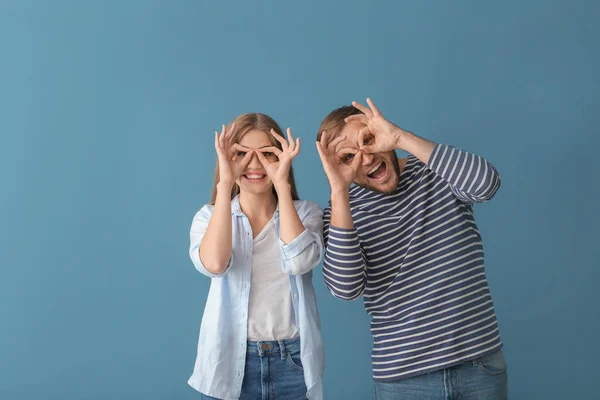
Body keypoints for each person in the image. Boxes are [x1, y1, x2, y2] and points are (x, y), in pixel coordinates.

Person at [315, 98, 507, 399]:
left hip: (478, 365)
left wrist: (401, 137)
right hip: (404, 381)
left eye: (369, 140)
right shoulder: (340, 213)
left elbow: (487, 184)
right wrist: (339, 191)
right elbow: (345, 288)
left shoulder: (437, 171)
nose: (365, 158)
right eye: (348, 156)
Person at [188, 113, 325, 400]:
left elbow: (299, 261)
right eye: (241, 154)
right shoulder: (208, 217)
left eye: (267, 154)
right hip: (228, 362)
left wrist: (282, 185)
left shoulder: (306, 213)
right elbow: (214, 264)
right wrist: (225, 182)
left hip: (293, 362)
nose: (254, 163)